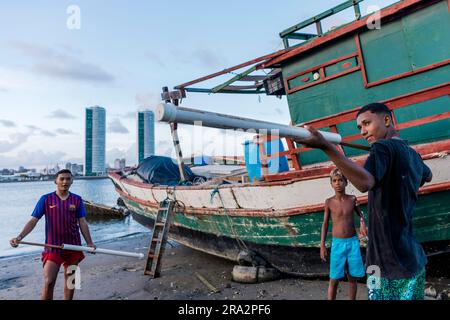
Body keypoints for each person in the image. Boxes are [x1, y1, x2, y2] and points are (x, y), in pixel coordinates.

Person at [295, 102, 432, 300]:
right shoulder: (412, 154)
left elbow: (365, 182)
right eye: (359, 127)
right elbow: (426, 176)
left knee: (375, 295)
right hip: (414, 260)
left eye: (366, 123)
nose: (362, 131)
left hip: (383, 264)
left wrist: (326, 146)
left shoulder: (382, 148)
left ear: (386, 119)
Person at [10, 169, 95, 300]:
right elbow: (33, 221)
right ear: (56, 181)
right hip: (52, 247)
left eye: (68, 179)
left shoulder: (77, 200)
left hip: (74, 247)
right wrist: (19, 237)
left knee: (71, 281)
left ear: (72, 181)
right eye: (62, 179)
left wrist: (89, 243)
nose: (65, 181)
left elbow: (82, 222)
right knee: (49, 281)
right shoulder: (46, 199)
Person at [321, 168, 367, 300]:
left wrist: (362, 222)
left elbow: (360, 214)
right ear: (331, 184)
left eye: (341, 180)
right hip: (337, 244)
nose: (338, 183)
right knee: (334, 278)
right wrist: (322, 245)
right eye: (334, 181)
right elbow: (325, 224)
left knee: (353, 277)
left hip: (353, 243)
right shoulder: (329, 202)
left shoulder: (352, 199)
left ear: (346, 182)